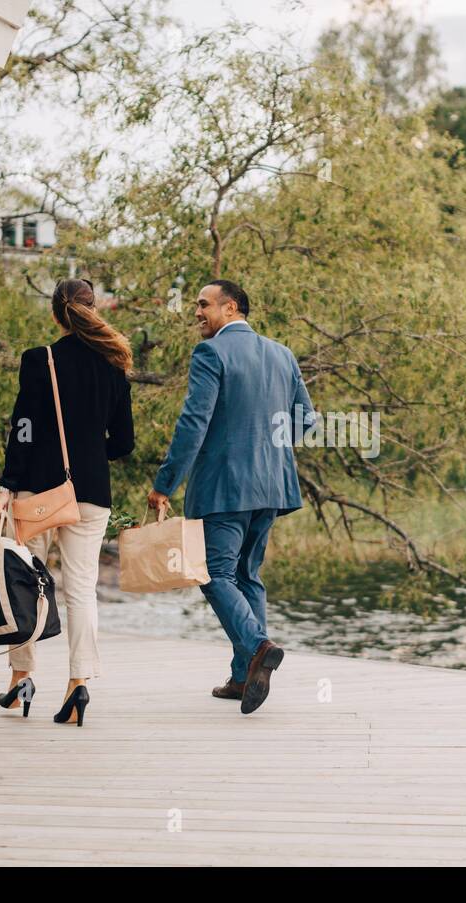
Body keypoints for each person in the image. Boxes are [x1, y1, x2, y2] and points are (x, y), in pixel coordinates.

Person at [148, 279, 314, 714]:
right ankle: (244, 676)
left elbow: (193, 424)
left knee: (214, 574)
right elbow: (306, 419)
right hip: (272, 485)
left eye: (204, 305)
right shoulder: (282, 354)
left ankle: (258, 646)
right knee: (248, 575)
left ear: (231, 307)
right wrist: (269, 450)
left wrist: (164, 483)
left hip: (224, 487)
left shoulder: (211, 353)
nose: (197, 312)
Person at [0, 278, 134, 726]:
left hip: (37, 493)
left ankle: (20, 680)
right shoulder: (115, 362)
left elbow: (23, 430)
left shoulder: (40, 360)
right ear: (94, 309)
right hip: (91, 495)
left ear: (56, 314)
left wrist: (6, 485)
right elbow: (123, 442)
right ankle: (78, 686)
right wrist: (91, 454)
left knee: (25, 585)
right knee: (82, 589)